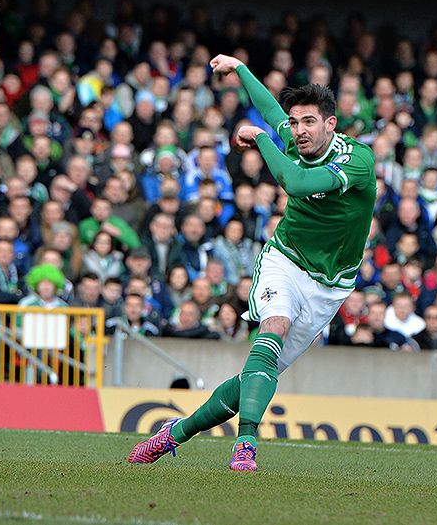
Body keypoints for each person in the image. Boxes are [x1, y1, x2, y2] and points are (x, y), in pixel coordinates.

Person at [129, 56, 375, 472]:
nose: (298, 131)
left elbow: (294, 182)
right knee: (272, 328)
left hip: (331, 285)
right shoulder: (295, 137)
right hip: (285, 259)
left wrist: (261, 140)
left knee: (254, 380)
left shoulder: (356, 161)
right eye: (295, 124)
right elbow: (270, 110)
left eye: (309, 122)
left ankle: (176, 432)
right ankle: (246, 445)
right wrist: (241, 69)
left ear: (330, 125)